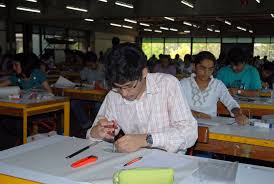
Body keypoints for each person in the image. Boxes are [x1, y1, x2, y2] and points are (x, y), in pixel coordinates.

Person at [87, 43, 197, 153]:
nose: (124, 93)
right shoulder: (114, 95)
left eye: (129, 86)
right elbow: (92, 136)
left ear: (144, 72)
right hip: (133, 160)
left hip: (169, 161)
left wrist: (146, 140)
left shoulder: (167, 85)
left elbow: (189, 132)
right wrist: (97, 132)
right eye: (118, 87)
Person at [180, 51, 248, 125]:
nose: (206, 73)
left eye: (210, 69)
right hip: (186, 125)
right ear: (194, 66)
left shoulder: (217, 85)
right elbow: (175, 106)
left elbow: (231, 102)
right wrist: (197, 114)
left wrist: (238, 114)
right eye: (202, 68)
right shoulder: (184, 84)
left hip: (210, 126)